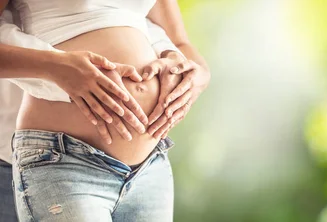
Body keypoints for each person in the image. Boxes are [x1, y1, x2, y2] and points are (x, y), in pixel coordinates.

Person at [0, 0, 211, 220]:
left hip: (149, 167)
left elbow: (181, 44)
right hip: (64, 160)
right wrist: (56, 66)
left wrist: (194, 76)